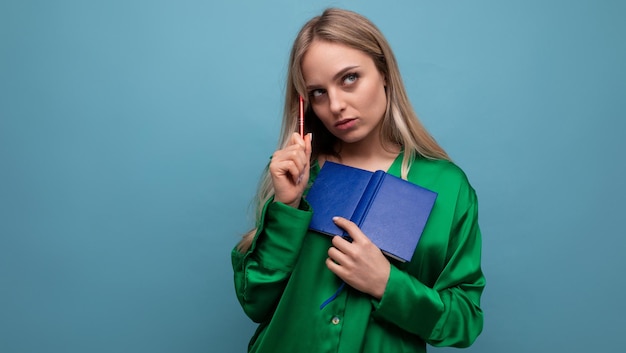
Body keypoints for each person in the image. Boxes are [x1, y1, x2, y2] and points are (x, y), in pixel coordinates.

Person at [231, 8, 484, 353]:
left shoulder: (448, 187)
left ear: (383, 72)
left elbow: (465, 321)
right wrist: (285, 206)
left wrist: (387, 284)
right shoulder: (297, 174)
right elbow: (255, 301)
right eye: (318, 92)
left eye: (349, 78)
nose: (336, 105)